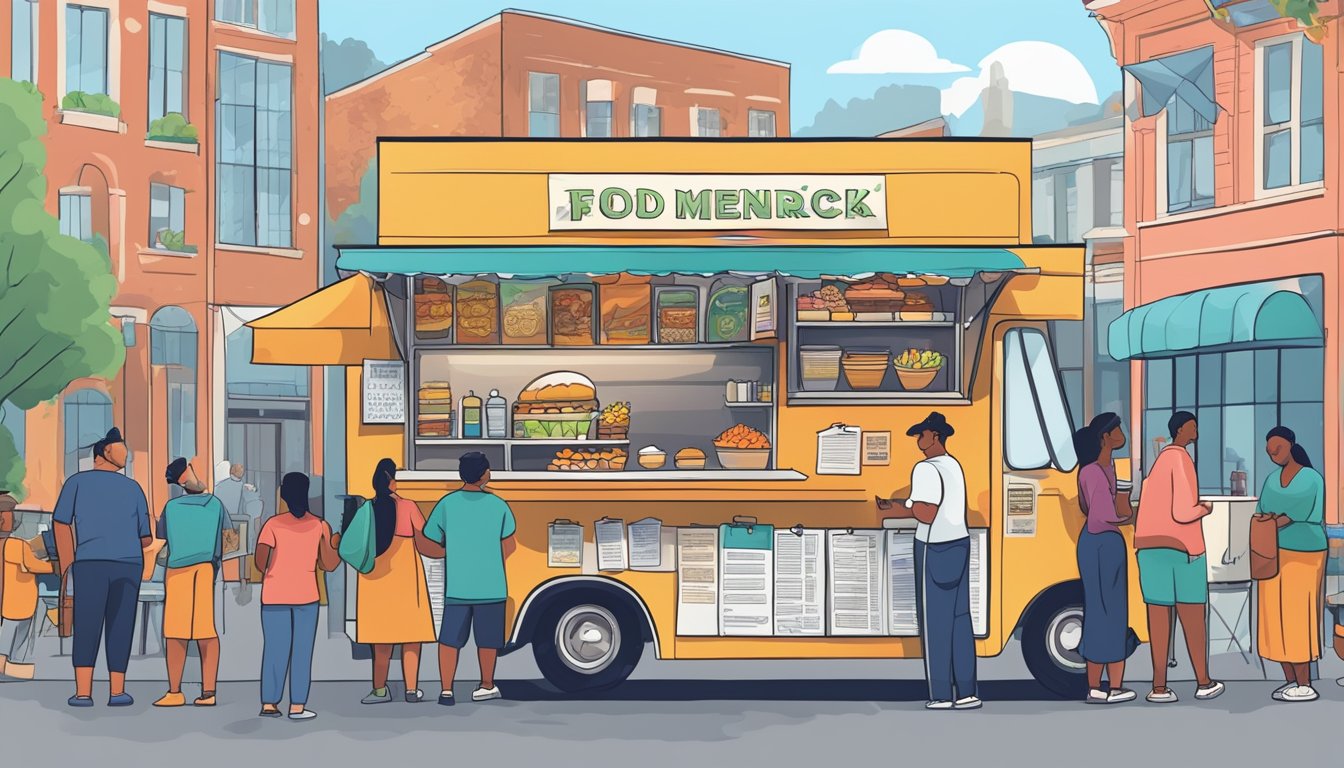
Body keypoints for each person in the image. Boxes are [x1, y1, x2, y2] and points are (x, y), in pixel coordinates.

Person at [878, 412, 979, 710]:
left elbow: (926, 512)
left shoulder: (924, 469)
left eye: (921, 434)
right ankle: (968, 692)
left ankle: (941, 695)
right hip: (959, 543)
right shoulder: (953, 465)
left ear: (934, 436)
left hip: (934, 547)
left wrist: (901, 505)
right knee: (960, 620)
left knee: (935, 623)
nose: (917, 440)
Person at [52, 427, 151, 708]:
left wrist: (66, 563)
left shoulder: (76, 483)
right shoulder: (133, 488)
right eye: (121, 447)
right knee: (121, 625)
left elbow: (60, 522)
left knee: (87, 624)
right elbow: (145, 537)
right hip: (128, 564)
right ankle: (117, 691)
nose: (126, 453)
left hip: (89, 563)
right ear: (105, 451)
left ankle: (84, 693)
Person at [1134, 411, 1223, 703]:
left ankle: (1158, 687)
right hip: (1182, 550)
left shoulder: (1159, 462)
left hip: (1150, 549)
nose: (1196, 430)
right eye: (1193, 425)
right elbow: (1183, 512)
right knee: (1193, 617)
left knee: (1159, 620)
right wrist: (1205, 508)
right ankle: (1203, 681)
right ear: (1181, 430)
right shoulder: (1182, 458)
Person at [415, 452, 516, 706]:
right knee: (488, 641)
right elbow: (510, 544)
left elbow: (429, 540)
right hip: (491, 586)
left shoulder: (447, 503)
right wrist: (489, 559)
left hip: (457, 587)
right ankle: (486, 685)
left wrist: (450, 552)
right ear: (483, 475)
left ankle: (447, 690)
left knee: (449, 640)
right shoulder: (498, 505)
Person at [256, 472, 341, 720]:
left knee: (275, 649)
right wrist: (334, 542)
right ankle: (297, 706)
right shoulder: (320, 525)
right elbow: (329, 564)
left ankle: (270, 703)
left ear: (283, 495)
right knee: (302, 652)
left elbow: (261, 562)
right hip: (306, 597)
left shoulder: (272, 524)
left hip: (274, 597)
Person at [154, 458, 234, 708]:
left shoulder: (171, 508)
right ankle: (208, 692)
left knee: (175, 633)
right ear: (186, 478)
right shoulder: (216, 505)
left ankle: (175, 692)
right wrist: (217, 560)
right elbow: (230, 540)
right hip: (204, 570)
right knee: (205, 632)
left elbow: (161, 542)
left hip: (176, 571)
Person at [1255, 426, 1326, 703]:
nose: (1273, 454)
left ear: (1291, 446)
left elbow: (1305, 513)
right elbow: (1262, 511)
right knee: (1274, 617)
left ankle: (1305, 683)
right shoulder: (1272, 479)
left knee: (1298, 617)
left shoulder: (1311, 478)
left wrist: (1274, 520)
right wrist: (1269, 520)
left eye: (1278, 449)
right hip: (1273, 553)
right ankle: (1289, 681)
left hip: (1305, 554)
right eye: (1269, 451)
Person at [357, 459, 436, 704]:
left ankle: (379, 690)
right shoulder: (409, 507)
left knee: (381, 641)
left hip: (374, 579)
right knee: (411, 638)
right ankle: (411, 690)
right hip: (404, 578)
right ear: (392, 481)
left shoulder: (367, 509)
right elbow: (425, 543)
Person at [1071, 412, 1135, 704]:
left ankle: (1112, 686)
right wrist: (1128, 513)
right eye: (1117, 430)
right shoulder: (1094, 472)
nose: (1122, 434)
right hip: (1101, 543)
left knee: (1113, 613)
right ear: (1105, 437)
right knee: (1103, 612)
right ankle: (1099, 687)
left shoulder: (1104, 468)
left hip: (1101, 543)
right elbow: (1101, 515)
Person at [0, 533, 54, 679]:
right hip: (19, 600)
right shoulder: (16, 544)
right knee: (14, 636)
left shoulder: (8, 544)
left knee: (10, 634)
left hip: (10, 598)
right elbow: (31, 565)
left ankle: (9, 668)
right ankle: (10, 667)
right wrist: (55, 566)